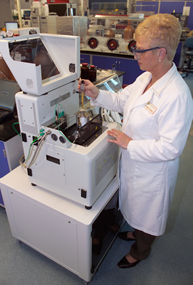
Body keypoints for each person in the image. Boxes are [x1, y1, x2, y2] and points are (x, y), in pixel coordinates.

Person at [78, 13, 193, 269]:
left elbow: (171, 148)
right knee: (135, 208)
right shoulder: (145, 77)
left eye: (139, 50)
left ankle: (140, 251)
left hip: (153, 171)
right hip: (135, 164)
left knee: (149, 214)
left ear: (161, 53)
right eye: (135, 48)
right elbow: (121, 100)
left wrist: (129, 143)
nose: (135, 55)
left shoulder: (177, 95)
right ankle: (136, 231)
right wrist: (95, 92)